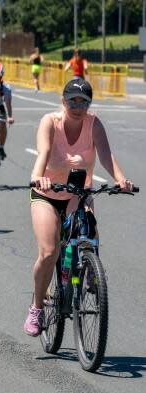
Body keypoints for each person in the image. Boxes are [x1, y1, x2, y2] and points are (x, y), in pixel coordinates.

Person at [24, 78, 134, 336]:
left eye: (83, 101)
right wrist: (38, 175)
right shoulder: (50, 121)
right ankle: (37, 307)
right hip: (47, 194)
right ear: (63, 101)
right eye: (72, 100)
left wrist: (120, 179)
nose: (78, 106)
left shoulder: (93, 123)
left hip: (78, 194)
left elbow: (106, 155)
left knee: (90, 239)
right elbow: (44, 151)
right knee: (49, 252)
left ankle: (90, 274)